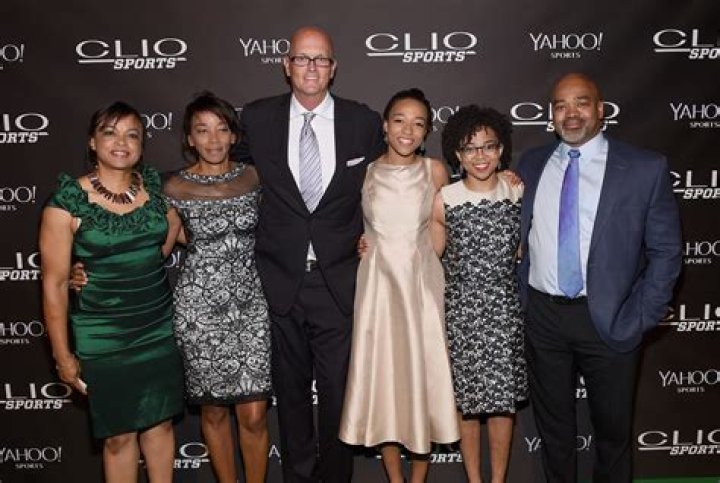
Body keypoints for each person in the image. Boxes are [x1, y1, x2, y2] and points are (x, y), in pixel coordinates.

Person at [236, 26, 385, 482]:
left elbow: (397, 176)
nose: (312, 68)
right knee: (291, 395)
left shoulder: (362, 121)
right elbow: (217, 173)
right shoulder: (256, 119)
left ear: (333, 68)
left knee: (339, 395)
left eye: (321, 59)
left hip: (338, 280)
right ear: (286, 65)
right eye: (302, 58)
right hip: (280, 280)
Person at [516, 72, 682, 482]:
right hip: (542, 318)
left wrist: (640, 315)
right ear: (552, 115)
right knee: (554, 434)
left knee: (612, 435)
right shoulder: (531, 164)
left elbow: (666, 251)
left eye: (581, 102)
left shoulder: (644, 168)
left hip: (609, 318)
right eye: (560, 105)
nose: (570, 114)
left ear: (601, 109)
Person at [40, 102, 184, 483]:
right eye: (110, 132)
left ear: (141, 145)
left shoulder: (155, 191)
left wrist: (140, 263)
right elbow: (55, 285)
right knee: (119, 437)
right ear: (92, 141)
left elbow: (172, 233)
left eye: (132, 134)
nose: (122, 142)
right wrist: (62, 356)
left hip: (156, 325)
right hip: (103, 334)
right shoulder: (67, 203)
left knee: (160, 425)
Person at [339, 88, 459, 483]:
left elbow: (443, 228)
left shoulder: (435, 171)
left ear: (425, 133)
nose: (408, 130)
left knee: (420, 383)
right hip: (376, 290)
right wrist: (362, 244)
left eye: (418, 124)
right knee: (384, 385)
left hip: (421, 290)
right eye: (399, 121)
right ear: (385, 126)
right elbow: (349, 225)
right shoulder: (366, 172)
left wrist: (421, 263)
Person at [163, 92, 272, 483]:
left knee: (254, 414)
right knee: (212, 411)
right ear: (190, 138)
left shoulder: (254, 177)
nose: (213, 139)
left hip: (251, 304)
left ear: (233, 135)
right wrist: (91, 267)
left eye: (221, 129)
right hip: (198, 309)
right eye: (202, 130)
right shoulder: (174, 187)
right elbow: (159, 247)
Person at [439, 105, 527, 483]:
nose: (480, 155)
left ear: (501, 150)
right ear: (457, 155)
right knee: (467, 405)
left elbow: (525, 248)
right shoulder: (445, 197)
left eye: (489, 146)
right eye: (470, 148)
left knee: (502, 406)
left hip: (505, 313)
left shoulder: (517, 190)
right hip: (461, 315)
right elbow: (428, 260)